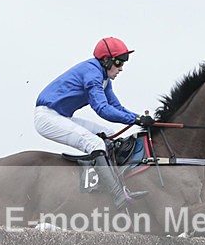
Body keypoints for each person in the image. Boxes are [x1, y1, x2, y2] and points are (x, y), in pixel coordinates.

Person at [34, 37, 150, 210]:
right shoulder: (92, 74)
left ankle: (117, 183)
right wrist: (135, 120)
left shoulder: (104, 79)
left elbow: (116, 107)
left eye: (124, 62)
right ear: (106, 60)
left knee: (109, 133)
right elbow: (102, 109)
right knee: (95, 142)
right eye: (119, 62)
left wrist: (139, 118)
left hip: (61, 116)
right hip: (47, 118)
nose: (121, 68)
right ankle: (118, 196)